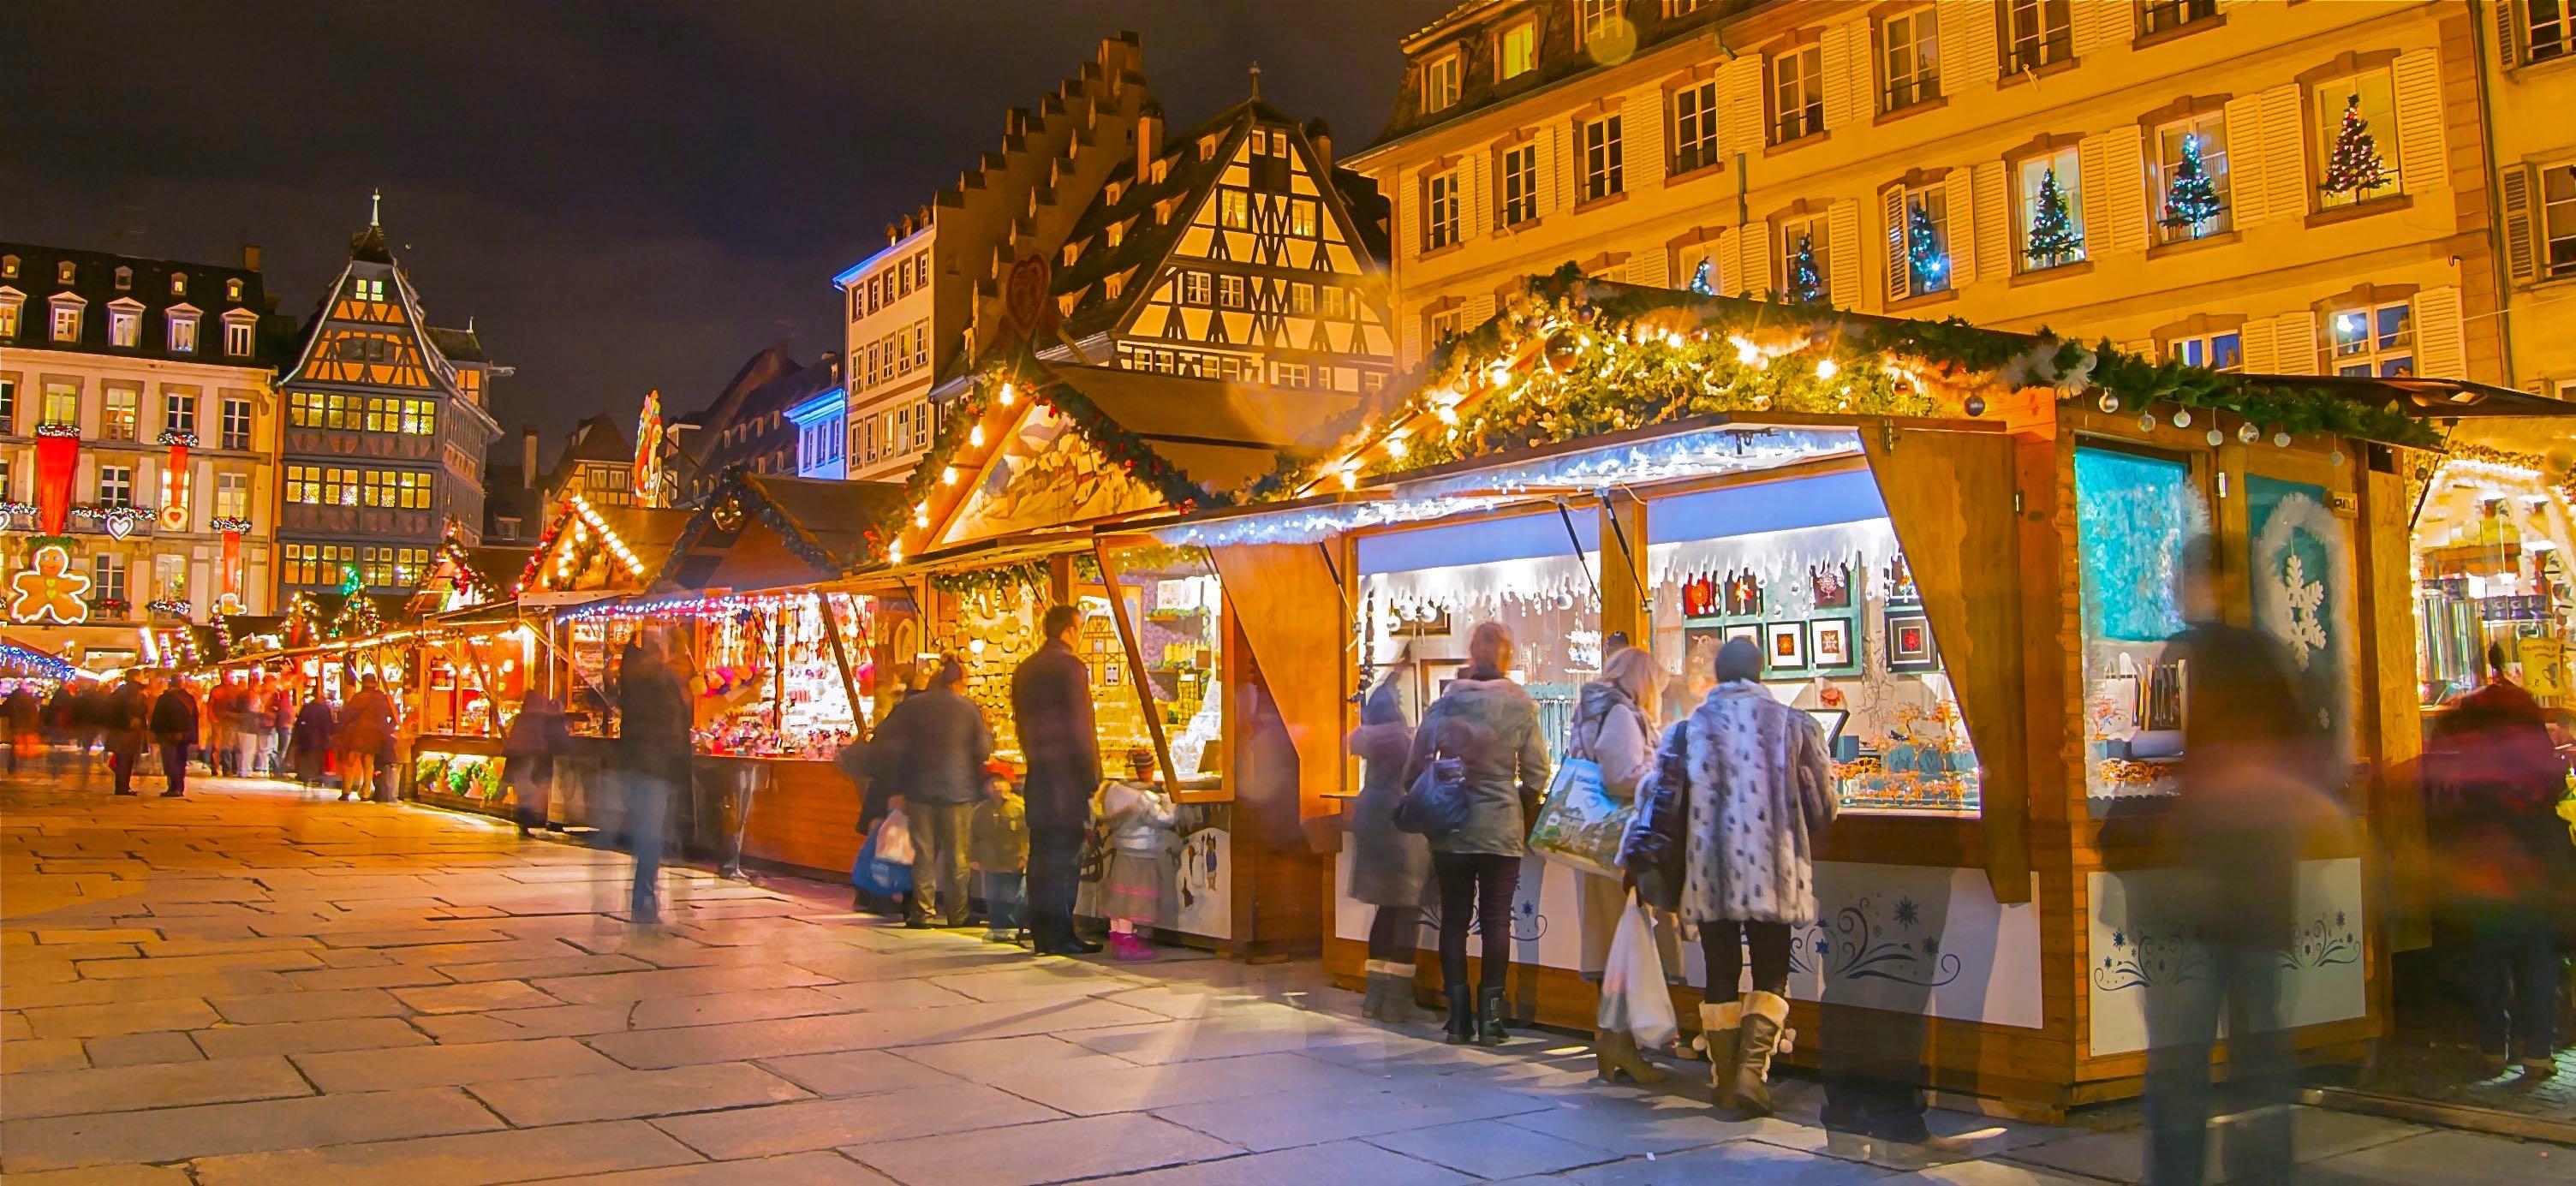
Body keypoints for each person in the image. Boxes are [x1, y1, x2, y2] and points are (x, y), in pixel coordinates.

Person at [2138, 537, 2343, 1186]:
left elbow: (2154, 753)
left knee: (2181, 1058)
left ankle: (2177, 1176)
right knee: (2260, 1053)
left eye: (2185, 575)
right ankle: (2263, 1172)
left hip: (2198, 884)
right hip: (2259, 884)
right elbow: (2307, 759)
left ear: (2209, 581)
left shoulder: (2183, 656)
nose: (2178, 586)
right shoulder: (2272, 659)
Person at [1624, 636, 1836, 1117]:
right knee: (1771, 971)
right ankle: (1751, 1076)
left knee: (1720, 973)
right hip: (1773, 871)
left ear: (1717, 676)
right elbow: (1822, 808)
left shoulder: (1685, 731)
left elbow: (1661, 800)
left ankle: (1722, 1082)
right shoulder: (1794, 726)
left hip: (1709, 870)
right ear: (1761, 674)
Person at [2424, 641, 2568, 1079]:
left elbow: (2444, 779)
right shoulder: (2524, 712)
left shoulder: (2465, 716)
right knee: (2537, 955)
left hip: (2483, 854)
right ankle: (2538, 1052)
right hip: (2531, 853)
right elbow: (2552, 781)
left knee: (2488, 954)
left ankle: (2492, 1048)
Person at [1403, 621, 1549, 1047]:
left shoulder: (1448, 703)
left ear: (1471, 652)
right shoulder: (1521, 704)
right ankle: (1491, 1018)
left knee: (1454, 920)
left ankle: (1457, 1019)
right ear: (1508, 653)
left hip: (1451, 823)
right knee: (1496, 921)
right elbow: (1538, 772)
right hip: (1500, 825)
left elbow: (1416, 763)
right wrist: (1517, 805)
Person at [1571, 645, 1677, 1084]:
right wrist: (1660, 771)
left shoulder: (1591, 710)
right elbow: (1621, 776)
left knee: (1612, 944)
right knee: (1624, 944)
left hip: (1592, 841)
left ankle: (1614, 1044)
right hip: (1617, 846)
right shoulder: (1620, 714)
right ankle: (1619, 1043)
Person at [866, 653, 993, 928]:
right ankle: (958, 914)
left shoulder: (913, 706)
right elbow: (982, 750)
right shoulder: (968, 708)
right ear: (959, 681)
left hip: (920, 790)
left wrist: (899, 785)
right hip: (958, 792)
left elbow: (889, 743)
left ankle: (922, 913)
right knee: (958, 856)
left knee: (923, 853)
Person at [1011, 603, 1104, 956]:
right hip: (1067, 782)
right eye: (1078, 630)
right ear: (1068, 630)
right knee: (1065, 860)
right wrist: (1092, 777)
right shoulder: (1071, 668)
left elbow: (1021, 724)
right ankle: (1062, 933)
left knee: (1042, 859)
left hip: (1040, 779)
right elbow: (1082, 728)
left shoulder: (1026, 669)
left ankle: (1045, 934)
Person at [1348, 677, 1429, 1022]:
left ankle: (1374, 997)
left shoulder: (1369, 741)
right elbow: (1420, 775)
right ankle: (1397, 1001)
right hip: (1400, 821)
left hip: (1371, 815)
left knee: (1385, 910)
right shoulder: (1401, 740)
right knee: (1408, 909)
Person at [615, 631, 695, 925]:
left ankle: (646, 894)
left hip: (653, 767)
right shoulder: (654, 681)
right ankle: (645, 897)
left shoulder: (646, 679)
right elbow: (668, 725)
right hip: (654, 768)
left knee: (652, 834)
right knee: (651, 834)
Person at [1099, 746, 1180, 962]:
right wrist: (1170, 800)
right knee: (1134, 900)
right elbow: (1165, 819)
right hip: (1141, 852)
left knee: (1120, 898)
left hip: (1123, 851)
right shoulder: (1144, 797)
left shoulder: (1114, 791)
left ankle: (1118, 939)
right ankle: (1127, 943)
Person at [502, 690, 572, 837]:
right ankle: (527, 822)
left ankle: (525, 822)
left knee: (526, 793)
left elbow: (514, 742)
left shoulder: (522, 718)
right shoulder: (542, 718)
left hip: (523, 760)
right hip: (533, 760)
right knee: (530, 793)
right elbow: (557, 738)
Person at [972, 768, 1029, 945]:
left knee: (1011, 896)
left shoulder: (1020, 807)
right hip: (990, 863)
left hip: (1013, 861)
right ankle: (996, 927)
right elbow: (974, 836)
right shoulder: (981, 810)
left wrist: (1026, 856)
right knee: (993, 897)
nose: (996, 786)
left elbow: (1027, 834)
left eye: (1000, 781)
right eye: (992, 782)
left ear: (1009, 784)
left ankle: (1010, 927)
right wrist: (973, 858)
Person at [335, 674, 395, 802]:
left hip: (357, 736)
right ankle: (366, 793)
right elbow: (394, 716)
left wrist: (341, 729)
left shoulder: (359, 697)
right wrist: (386, 729)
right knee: (368, 765)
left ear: (364, 683)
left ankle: (346, 791)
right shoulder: (383, 698)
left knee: (349, 763)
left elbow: (347, 716)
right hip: (375, 736)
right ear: (375, 683)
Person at [149, 676, 200, 799]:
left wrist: (155, 732)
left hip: (169, 734)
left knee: (170, 761)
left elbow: (158, 717)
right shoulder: (189, 698)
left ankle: (174, 787)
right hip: (185, 735)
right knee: (180, 761)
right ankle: (179, 787)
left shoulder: (165, 698)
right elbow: (194, 718)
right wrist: (192, 735)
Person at [103, 672, 151, 796]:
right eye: (141, 675)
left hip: (120, 730)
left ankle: (122, 786)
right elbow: (137, 708)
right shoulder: (134, 692)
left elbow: (110, 707)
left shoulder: (120, 691)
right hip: (129, 731)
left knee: (123, 758)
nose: (144, 677)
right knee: (126, 759)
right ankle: (122, 787)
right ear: (135, 677)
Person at [290, 689, 337, 789]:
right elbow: (328, 725)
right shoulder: (324, 709)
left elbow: (299, 723)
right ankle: (317, 777)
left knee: (306, 758)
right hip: (320, 738)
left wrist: (297, 737)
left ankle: (306, 776)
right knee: (319, 758)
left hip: (306, 737)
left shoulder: (307, 708)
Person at [3, 682, 41, 775]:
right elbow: (33, 712)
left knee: (15, 745)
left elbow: (4, 710)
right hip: (26, 725)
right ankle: (24, 763)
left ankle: (12, 767)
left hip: (15, 725)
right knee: (25, 744)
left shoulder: (11, 698)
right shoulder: (28, 698)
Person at [42, 681, 76, 778]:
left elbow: (49, 712)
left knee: (55, 745)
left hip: (55, 726)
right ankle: (59, 765)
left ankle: (54, 765)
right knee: (63, 746)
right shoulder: (67, 699)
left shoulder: (56, 697)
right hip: (63, 727)